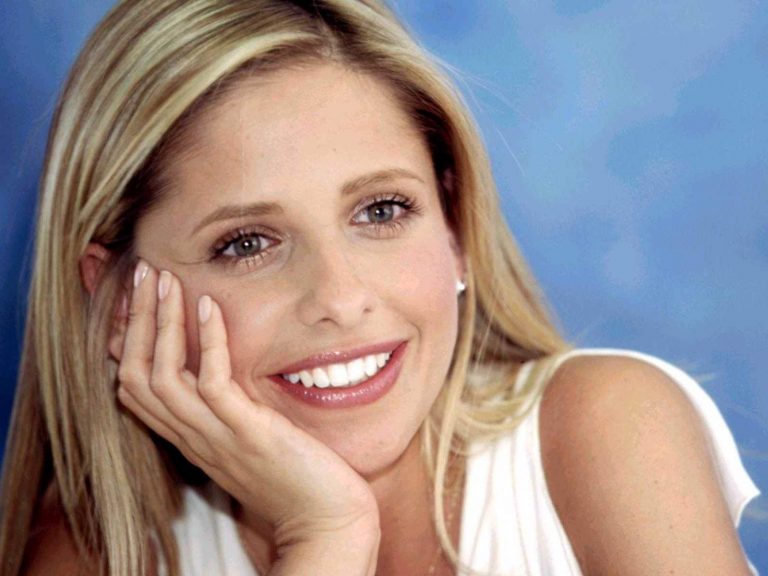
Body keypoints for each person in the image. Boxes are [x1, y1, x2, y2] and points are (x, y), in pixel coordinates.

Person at [0, 1, 760, 575]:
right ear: (120, 300)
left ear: (456, 227)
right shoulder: (92, 549)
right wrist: (325, 536)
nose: (340, 297)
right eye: (247, 244)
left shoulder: (607, 430)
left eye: (382, 210)